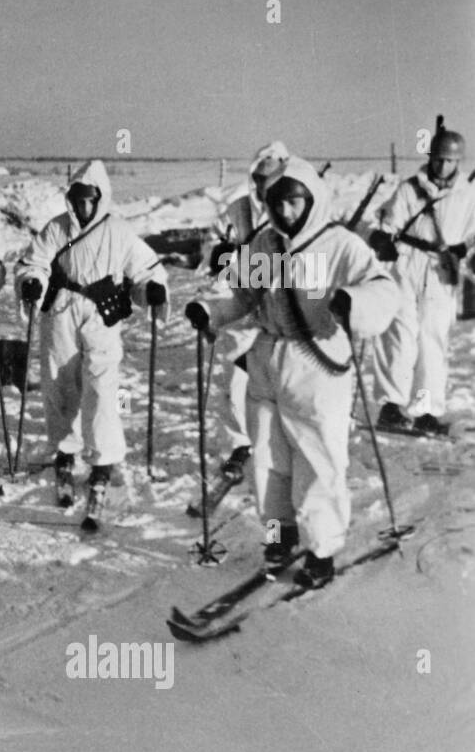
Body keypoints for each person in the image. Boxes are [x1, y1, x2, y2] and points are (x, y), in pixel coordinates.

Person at [185, 157, 402, 589]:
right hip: (266, 359)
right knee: (266, 463)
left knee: (317, 464)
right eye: (275, 202)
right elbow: (244, 297)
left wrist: (352, 303)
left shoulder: (341, 245)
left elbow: (383, 290)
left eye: (293, 201)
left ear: (311, 199)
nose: (284, 211)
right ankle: (277, 538)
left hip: (318, 365)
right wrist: (210, 312)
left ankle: (321, 551)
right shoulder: (265, 244)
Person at [13, 160, 169, 530]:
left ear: (101, 198)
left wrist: (152, 289)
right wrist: (32, 281)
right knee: (60, 384)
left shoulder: (119, 231)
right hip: (61, 312)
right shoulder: (57, 228)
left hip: (101, 315)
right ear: (70, 199)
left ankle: (103, 462)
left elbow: (145, 269)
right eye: (77, 199)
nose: (83, 207)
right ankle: (65, 452)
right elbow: (31, 262)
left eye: (89, 200)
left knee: (101, 388)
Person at [364, 125, 475, 436]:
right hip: (405, 264)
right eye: (438, 159)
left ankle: (425, 409)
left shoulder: (468, 195)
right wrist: (381, 239)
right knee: (399, 334)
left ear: (458, 163)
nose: (442, 167)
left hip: (440, 271)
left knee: (432, 340)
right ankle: (392, 406)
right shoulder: (409, 189)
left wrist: (462, 248)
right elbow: (384, 222)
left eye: (450, 161)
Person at [205, 142, 290, 481]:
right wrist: (220, 255)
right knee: (235, 377)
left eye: (269, 178)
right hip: (244, 299)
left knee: (284, 377)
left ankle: (283, 440)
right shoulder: (238, 209)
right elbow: (216, 249)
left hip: (285, 305)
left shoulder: (297, 206)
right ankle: (239, 445)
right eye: (258, 178)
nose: (262, 185)